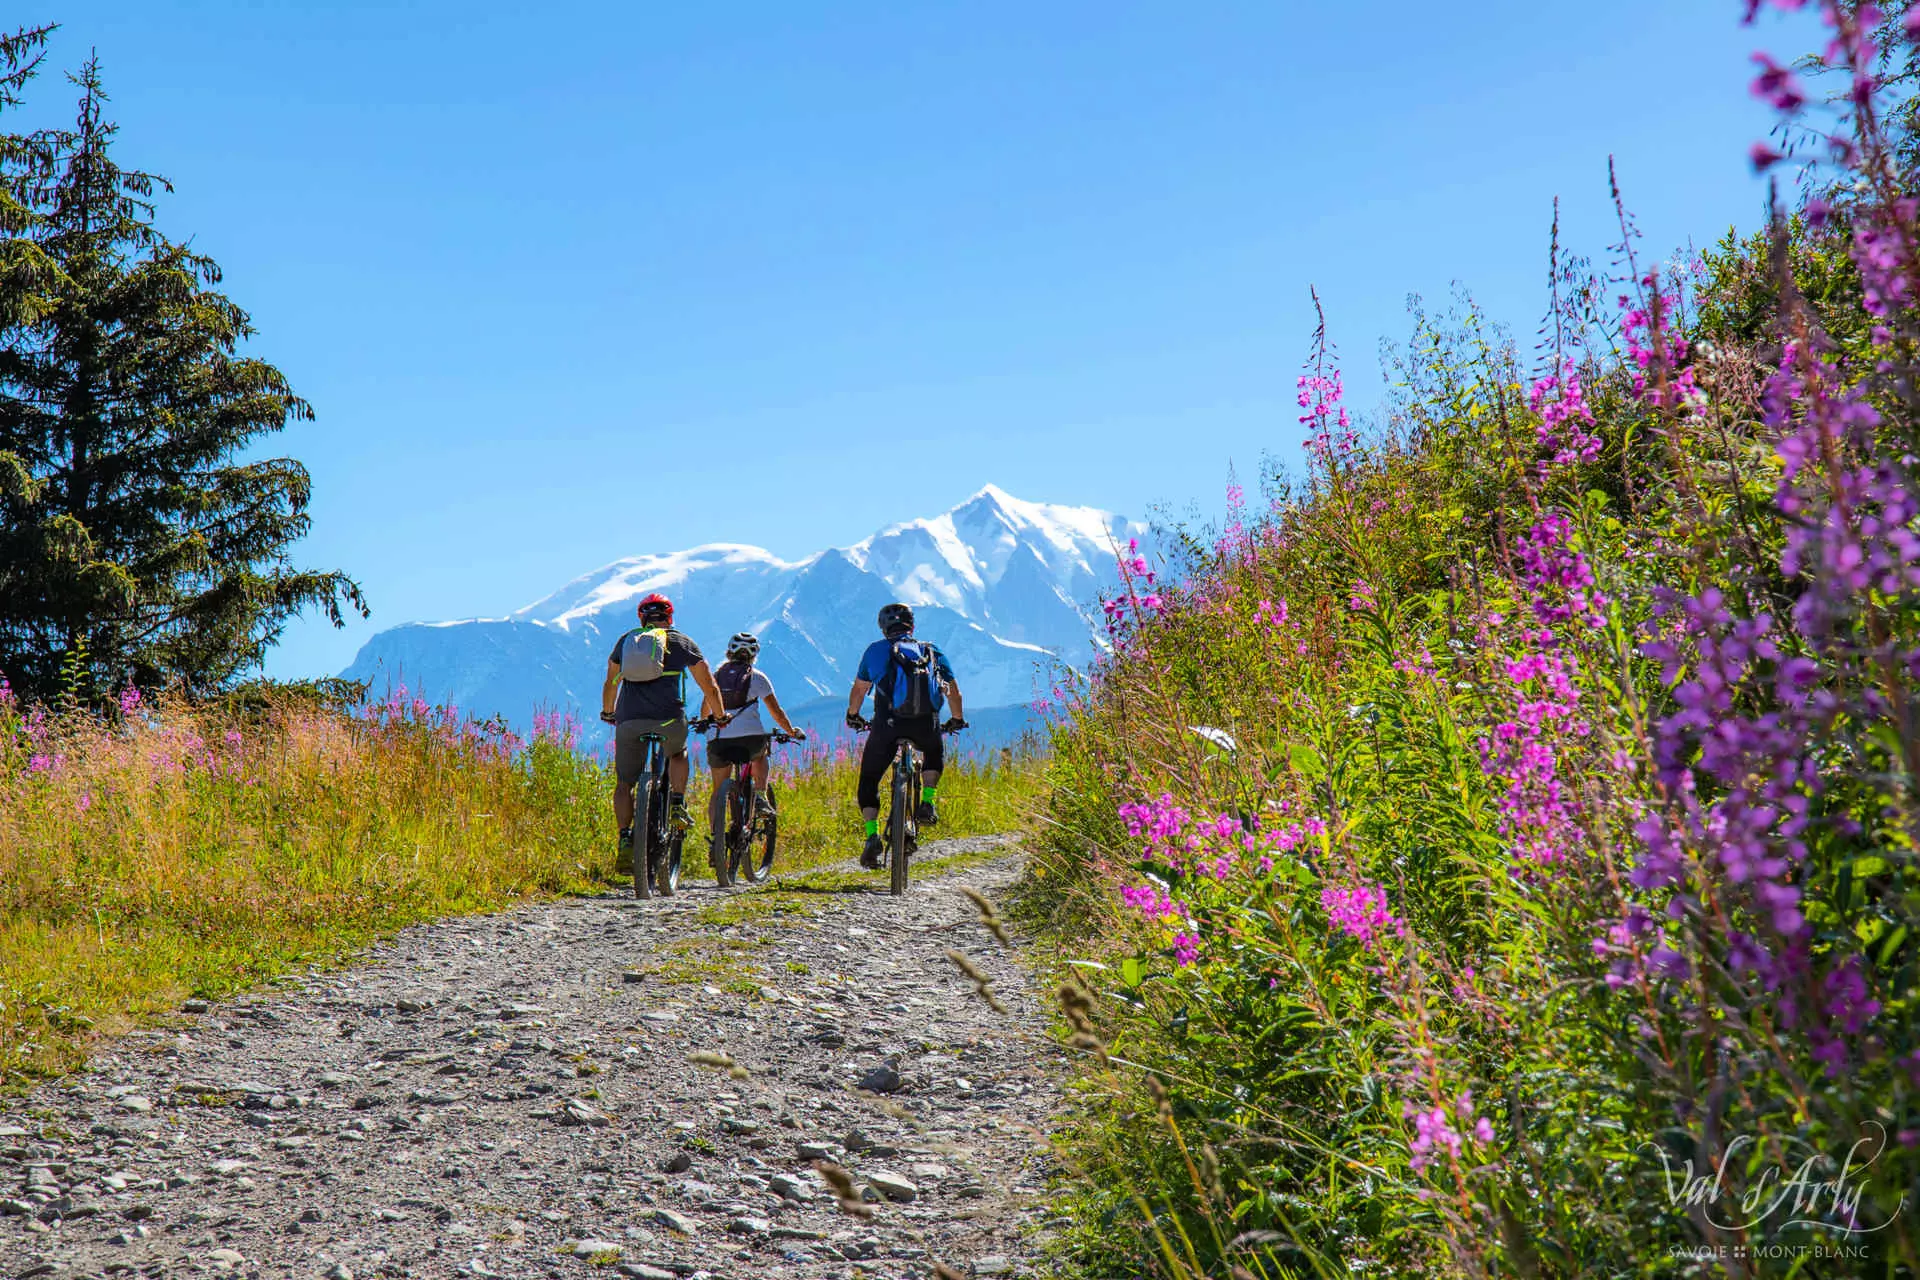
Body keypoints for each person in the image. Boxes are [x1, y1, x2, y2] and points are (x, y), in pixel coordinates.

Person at [598, 592, 729, 875]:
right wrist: (719, 716)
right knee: (678, 753)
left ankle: (625, 838)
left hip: (629, 720)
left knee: (624, 784)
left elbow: (611, 682)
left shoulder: (626, 641)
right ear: (670, 617)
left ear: (641, 618)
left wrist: (609, 712)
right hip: (669, 720)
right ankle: (677, 804)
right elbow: (710, 686)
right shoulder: (682, 642)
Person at [845, 602, 966, 868]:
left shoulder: (875, 651)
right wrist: (957, 719)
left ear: (883, 627)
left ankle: (872, 836)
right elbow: (954, 692)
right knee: (933, 751)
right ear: (912, 626)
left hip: (886, 726)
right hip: (925, 724)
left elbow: (859, 690)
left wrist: (853, 715)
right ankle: (927, 802)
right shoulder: (931, 650)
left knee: (869, 778)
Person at [703, 632, 805, 860]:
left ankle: (716, 841)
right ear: (753, 655)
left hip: (718, 740)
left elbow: (704, 711)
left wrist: (705, 726)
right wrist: (792, 731)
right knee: (760, 753)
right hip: (750, 739)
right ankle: (759, 795)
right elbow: (776, 712)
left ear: (729, 653)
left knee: (718, 791)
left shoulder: (715, 678)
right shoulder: (757, 678)